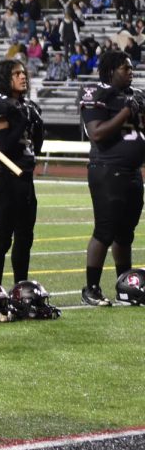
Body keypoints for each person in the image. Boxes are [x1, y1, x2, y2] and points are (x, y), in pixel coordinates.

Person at [78, 51, 145, 306]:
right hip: (107, 169)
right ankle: (91, 288)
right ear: (110, 70)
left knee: (125, 234)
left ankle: (125, 285)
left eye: (131, 68)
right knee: (105, 231)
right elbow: (97, 133)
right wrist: (126, 112)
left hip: (132, 172)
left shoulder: (133, 96)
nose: (131, 72)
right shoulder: (97, 93)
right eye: (125, 68)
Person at [0, 60, 44, 290]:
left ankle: (21, 288)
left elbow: (36, 145)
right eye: (16, 73)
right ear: (4, 78)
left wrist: (35, 123)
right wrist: (22, 121)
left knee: (25, 237)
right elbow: (3, 145)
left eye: (23, 73)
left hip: (26, 177)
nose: (22, 77)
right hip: (5, 176)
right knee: (3, 237)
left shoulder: (27, 105)